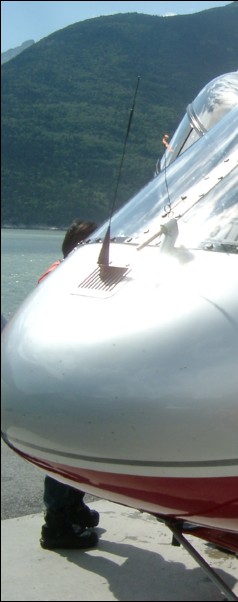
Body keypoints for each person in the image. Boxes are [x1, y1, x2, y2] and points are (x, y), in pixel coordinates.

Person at [38, 219, 102, 550]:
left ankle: (72, 506)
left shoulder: (63, 275)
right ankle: (58, 523)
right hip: (63, 383)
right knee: (65, 453)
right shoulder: (65, 282)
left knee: (77, 451)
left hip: (69, 380)